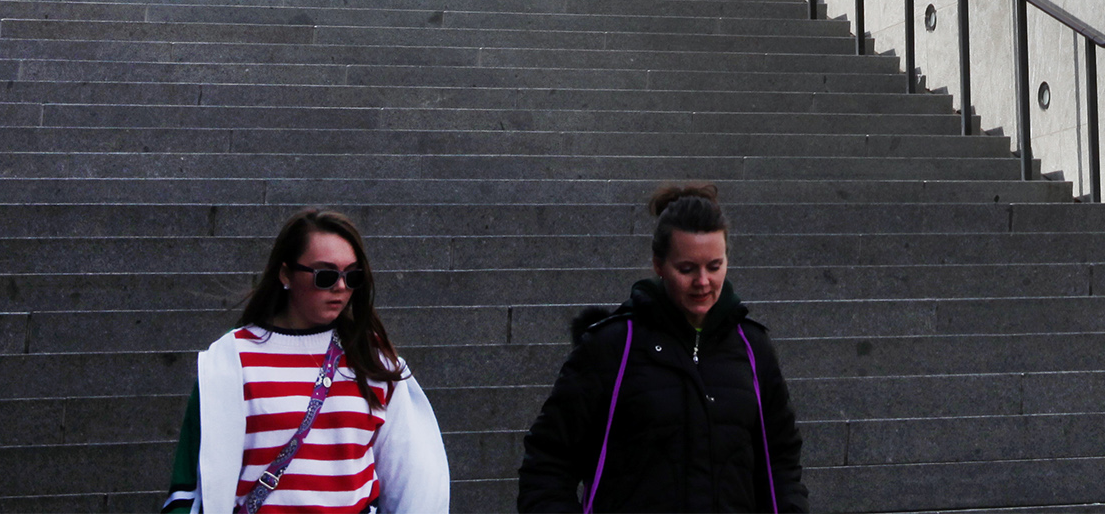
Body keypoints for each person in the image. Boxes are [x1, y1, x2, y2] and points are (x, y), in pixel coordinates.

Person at [517, 182, 806, 512]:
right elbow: (547, 462)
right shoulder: (613, 346)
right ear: (658, 265)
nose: (703, 282)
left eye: (714, 266)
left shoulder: (753, 347)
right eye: (686, 269)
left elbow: (781, 463)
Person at [159, 208, 449, 514]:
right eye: (325, 276)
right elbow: (189, 488)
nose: (341, 287)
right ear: (286, 274)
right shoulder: (231, 360)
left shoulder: (374, 361)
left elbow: (413, 483)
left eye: (352, 276)